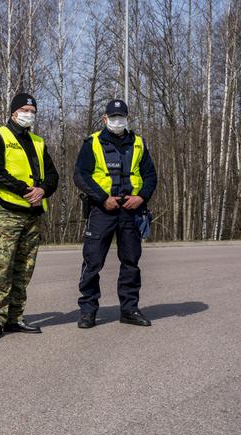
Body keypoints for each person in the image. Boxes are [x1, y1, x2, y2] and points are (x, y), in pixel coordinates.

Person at [73, 99, 157, 328]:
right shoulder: (93, 143)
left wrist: (141, 197)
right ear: (105, 119)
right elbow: (81, 175)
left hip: (131, 211)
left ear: (127, 118)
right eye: (113, 117)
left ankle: (129, 310)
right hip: (102, 211)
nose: (118, 121)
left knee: (131, 262)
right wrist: (102, 198)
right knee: (93, 262)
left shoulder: (138, 143)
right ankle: (88, 311)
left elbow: (150, 176)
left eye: (122, 117)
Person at [0, 93, 59, 339]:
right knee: (2, 268)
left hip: (33, 215)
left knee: (24, 269)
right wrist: (24, 190)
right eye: (25, 109)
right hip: (8, 213)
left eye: (33, 110)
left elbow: (52, 175)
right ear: (14, 112)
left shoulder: (38, 141)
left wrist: (43, 190)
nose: (29, 114)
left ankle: (15, 318)